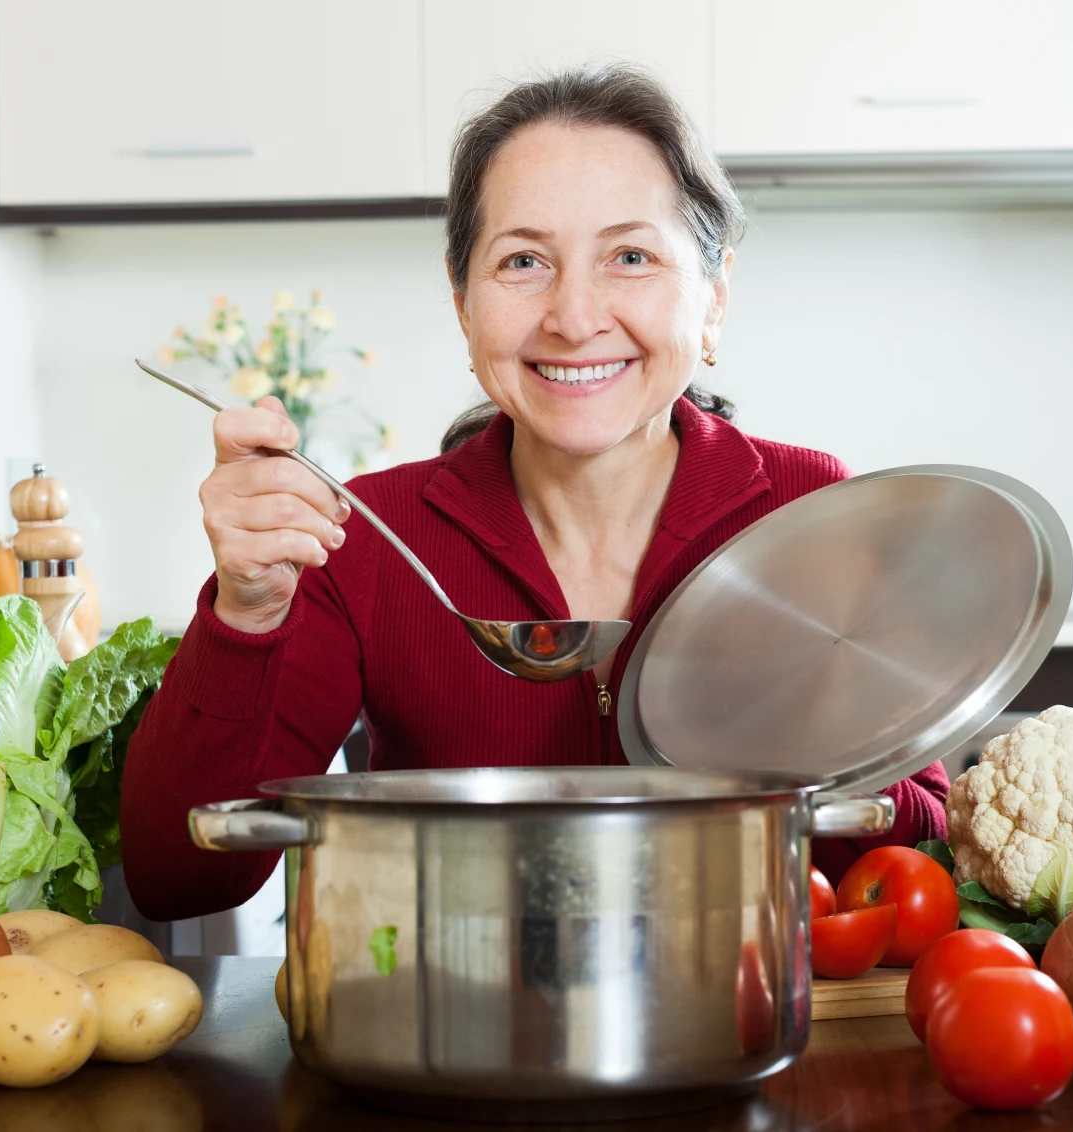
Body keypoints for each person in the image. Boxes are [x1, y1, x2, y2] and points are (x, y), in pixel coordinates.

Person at [121, 64, 948, 921]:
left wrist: (809, 716)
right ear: (463, 304)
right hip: (445, 1029)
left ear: (713, 299)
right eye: (523, 261)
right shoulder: (362, 537)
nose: (574, 315)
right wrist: (246, 616)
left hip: (741, 1023)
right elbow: (176, 876)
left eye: (630, 256)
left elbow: (919, 865)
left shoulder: (810, 511)